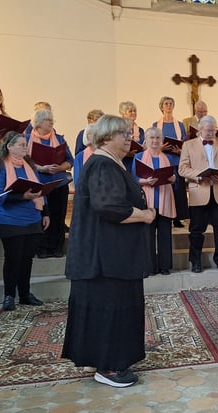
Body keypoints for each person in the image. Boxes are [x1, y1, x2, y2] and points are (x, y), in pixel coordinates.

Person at [62, 114, 156, 388]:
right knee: (110, 307)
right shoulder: (102, 164)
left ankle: (110, 359)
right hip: (104, 258)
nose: (130, 138)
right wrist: (144, 215)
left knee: (114, 306)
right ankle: (110, 366)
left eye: (129, 133)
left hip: (112, 253)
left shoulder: (110, 162)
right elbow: (109, 207)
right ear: (105, 137)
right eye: (123, 134)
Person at [0, 131, 48, 311]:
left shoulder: (29, 165)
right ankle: (9, 296)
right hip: (9, 219)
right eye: (21, 144)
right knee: (13, 259)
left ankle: (24, 294)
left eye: (26, 144)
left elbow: (40, 190)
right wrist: (23, 196)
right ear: (9, 147)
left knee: (27, 259)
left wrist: (45, 213)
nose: (25, 147)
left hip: (32, 217)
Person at [178, 115, 218, 273]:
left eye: (213, 130)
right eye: (208, 130)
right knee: (196, 230)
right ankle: (195, 261)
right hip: (199, 192)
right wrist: (199, 175)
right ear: (200, 129)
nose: (211, 133)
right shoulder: (189, 145)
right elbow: (182, 169)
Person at [26, 109, 73, 258]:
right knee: (43, 215)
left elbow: (70, 161)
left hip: (58, 183)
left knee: (59, 216)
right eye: (48, 119)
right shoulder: (27, 139)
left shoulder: (59, 139)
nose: (52, 122)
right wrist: (41, 168)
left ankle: (56, 247)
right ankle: (42, 248)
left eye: (52, 119)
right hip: (39, 183)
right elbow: (24, 161)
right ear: (38, 123)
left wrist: (60, 167)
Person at [134, 127, 176, 275]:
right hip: (148, 201)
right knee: (148, 235)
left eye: (157, 138)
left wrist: (173, 178)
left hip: (164, 198)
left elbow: (173, 176)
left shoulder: (168, 158)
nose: (155, 141)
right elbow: (133, 179)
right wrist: (145, 181)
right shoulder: (139, 156)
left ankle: (165, 266)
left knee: (165, 234)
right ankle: (150, 266)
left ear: (161, 140)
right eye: (151, 138)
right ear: (146, 139)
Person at [154, 96, 190, 228]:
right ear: (161, 106)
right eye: (166, 103)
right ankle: (164, 216)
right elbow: (152, 143)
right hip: (162, 160)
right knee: (164, 190)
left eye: (171, 103)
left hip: (177, 160)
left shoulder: (179, 125)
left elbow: (185, 143)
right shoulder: (155, 125)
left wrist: (181, 150)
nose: (168, 106)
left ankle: (177, 218)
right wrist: (161, 148)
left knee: (178, 190)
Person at [119, 101, 143, 173]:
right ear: (123, 114)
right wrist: (127, 153)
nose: (133, 113)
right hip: (124, 161)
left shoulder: (140, 130)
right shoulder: (118, 129)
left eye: (134, 111)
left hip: (137, 161)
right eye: (130, 111)